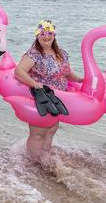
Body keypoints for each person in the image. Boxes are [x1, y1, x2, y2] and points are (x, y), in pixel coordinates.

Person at [14, 20, 83, 161]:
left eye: (49, 33)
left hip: (57, 100)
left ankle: (43, 159)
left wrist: (81, 80)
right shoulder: (34, 54)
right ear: (37, 36)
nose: (46, 37)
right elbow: (19, 71)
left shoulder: (61, 53)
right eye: (43, 34)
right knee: (38, 134)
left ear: (54, 34)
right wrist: (34, 84)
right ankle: (31, 163)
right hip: (42, 98)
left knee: (51, 131)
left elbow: (68, 73)